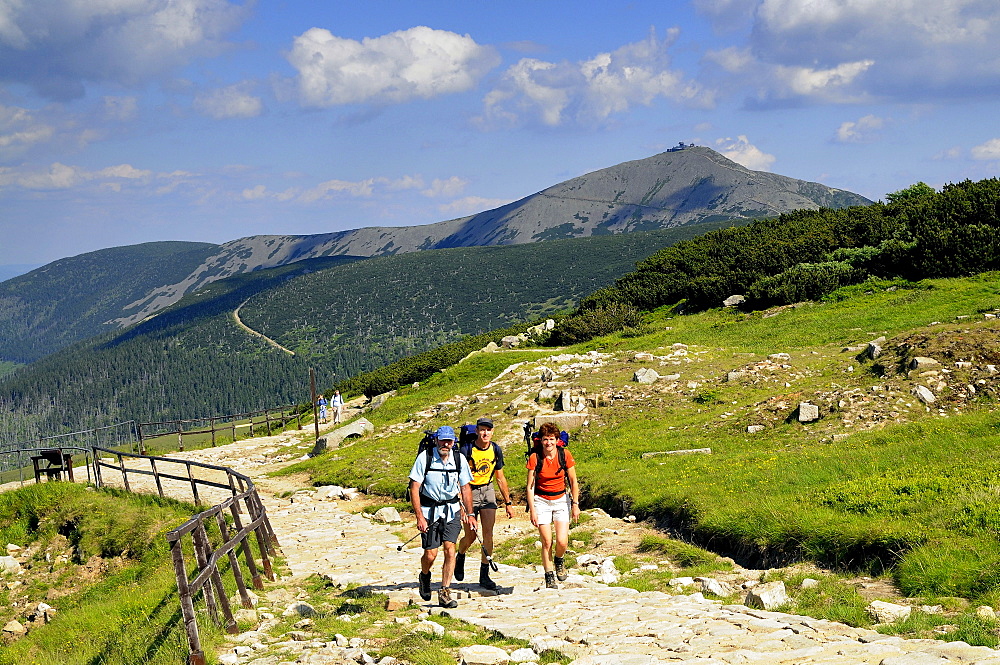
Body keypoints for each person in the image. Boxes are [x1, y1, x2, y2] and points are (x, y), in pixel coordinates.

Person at [408, 425, 476, 608]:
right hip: (429, 510)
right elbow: (414, 487)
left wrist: (470, 514)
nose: (446, 444)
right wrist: (419, 517)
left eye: (449, 441)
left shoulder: (459, 459)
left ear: (454, 442)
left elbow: (465, 488)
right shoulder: (425, 458)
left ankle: (445, 591)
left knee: (450, 549)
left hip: (451, 510)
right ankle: (425, 575)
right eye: (443, 440)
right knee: (430, 555)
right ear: (437, 440)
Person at [455, 417, 513, 591]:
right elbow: (458, 477)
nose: (485, 433)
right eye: (482, 429)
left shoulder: (495, 449)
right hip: (469, 491)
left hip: (487, 490)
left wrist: (508, 502)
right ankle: (461, 554)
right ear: (477, 431)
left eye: (488, 430)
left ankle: (484, 574)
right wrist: (462, 504)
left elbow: (500, 478)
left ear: (492, 431)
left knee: (488, 534)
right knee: (471, 535)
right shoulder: (467, 449)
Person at [526, 421, 580, 589]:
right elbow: (529, 486)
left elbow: (573, 481)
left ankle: (559, 560)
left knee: (562, 542)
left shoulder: (565, 455)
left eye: (551, 439)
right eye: (545, 439)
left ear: (557, 440)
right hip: (541, 501)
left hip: (561, 500)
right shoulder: (535, 458)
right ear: (540, 441)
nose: (548, 443)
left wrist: (575, 504)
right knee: (547, 541)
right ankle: (549, 575)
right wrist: (532, 510)